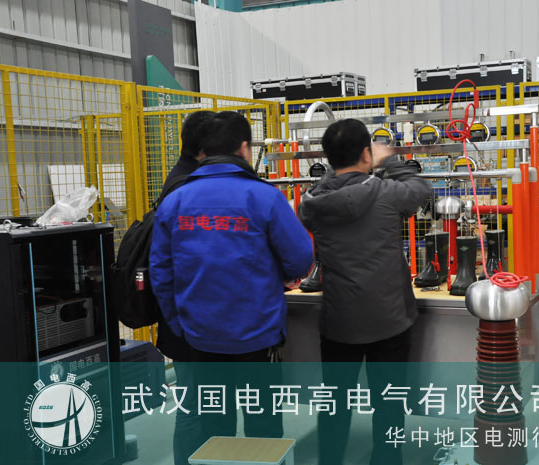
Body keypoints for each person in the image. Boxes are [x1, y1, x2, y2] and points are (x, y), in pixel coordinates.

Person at [150, 111, 314, 458]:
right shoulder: (264, 197)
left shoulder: (175, 201)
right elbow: (301, 259)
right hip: (258, 335)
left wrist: (179, 324)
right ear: (243, 148)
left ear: (204, 149)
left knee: (214, 425)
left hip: (200, 336)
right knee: (263, 424)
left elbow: (161, 273)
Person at [298, 118, 432, 465]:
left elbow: (331, 192)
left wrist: (339, 169)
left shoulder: (311, 203)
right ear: (365, 153)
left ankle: (330, 459)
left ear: (329, 158)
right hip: (389, 320)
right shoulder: (386, 192)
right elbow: (421, 189)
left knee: (335, 403)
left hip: (339, 321)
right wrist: (389, 160)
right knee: (389, 403)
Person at [156, 110, 215, 465]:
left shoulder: (184, 179)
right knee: (194, 404)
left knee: (204, 402)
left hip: (188, 318)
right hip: (189, 320)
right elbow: (173, 265)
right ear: (205, 147)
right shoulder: (184, 188)